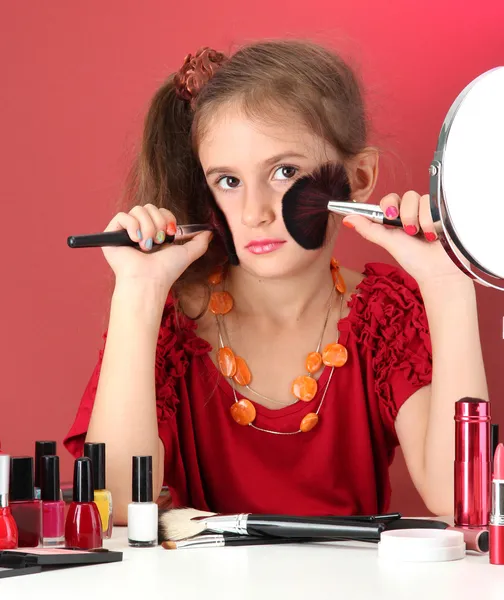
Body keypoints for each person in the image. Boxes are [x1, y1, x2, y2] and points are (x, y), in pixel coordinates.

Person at [64, 40, 488, 525]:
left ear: (360, 175)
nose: (254, 212)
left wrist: (448, 284)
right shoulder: (170, 320)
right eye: (228, 180)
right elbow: (114, 501)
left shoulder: (386, 314)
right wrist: (138, 293)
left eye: (285, 172)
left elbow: (460, 498)